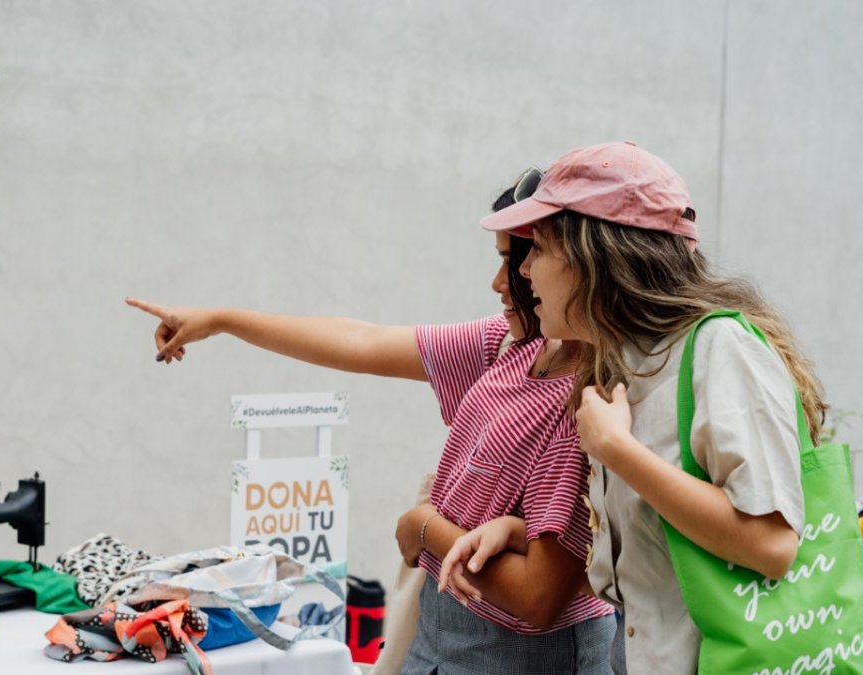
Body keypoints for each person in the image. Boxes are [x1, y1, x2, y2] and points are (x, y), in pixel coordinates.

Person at [126, 169, 614, 674]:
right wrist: (222, 320)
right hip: (442, 624)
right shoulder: (513, 346)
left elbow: (540, 596)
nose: (502, 281)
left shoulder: (589, 400)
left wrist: (424, 527)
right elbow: (360, 341)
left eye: (518, 260)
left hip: (525, 651)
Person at [440, 141, 821, 673]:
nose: (525, 275)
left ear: (593, 258)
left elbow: (772, 542)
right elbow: (666, 534)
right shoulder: (624, 364)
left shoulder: (718, 347)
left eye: (540, 251)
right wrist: (521, 531)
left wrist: (618, 452)